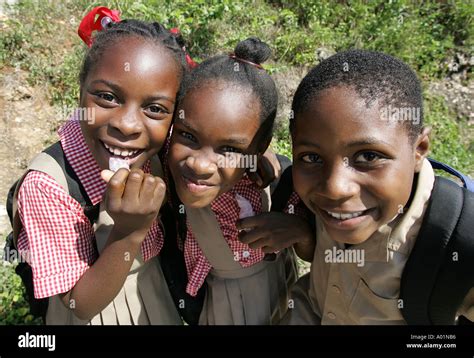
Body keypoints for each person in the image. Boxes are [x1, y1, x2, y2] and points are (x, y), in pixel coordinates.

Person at [13, 6, 192, 324]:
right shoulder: (48, 186)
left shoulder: (159, 150)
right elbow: (76, 305)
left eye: (154, 108)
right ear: (80, 92)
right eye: (108, 97)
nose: (127, 125)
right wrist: (129, 232)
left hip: (155, 296)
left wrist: (262, 160)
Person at [282, 49, 474, 325]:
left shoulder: (458, 240)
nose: (335, 189)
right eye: (312, 158)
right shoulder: (331, 205)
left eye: (369, 157)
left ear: (419, 149)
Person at [165, 37, 314, 325]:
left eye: (229, 148)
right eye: (188, 136)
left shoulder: (277, 186)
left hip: (272, 295)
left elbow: (313, 249)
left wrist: (302, 232)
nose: (199, 163)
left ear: (259, 148)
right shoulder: (164, 165)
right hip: (207, 302)